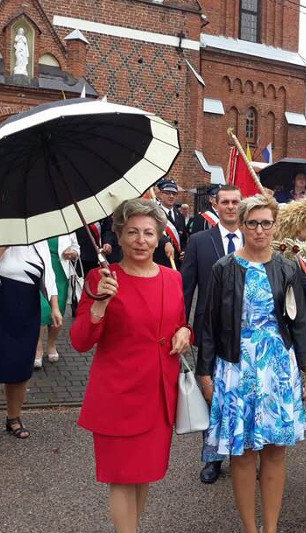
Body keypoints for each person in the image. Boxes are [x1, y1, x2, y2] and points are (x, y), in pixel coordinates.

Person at [197, 194, 306, 533]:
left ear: (275, 226)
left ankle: (272, 528)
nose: (260, 230)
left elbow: (299, 322)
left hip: (278, 368)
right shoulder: (224, 268)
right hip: (237, 367)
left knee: (276, 451)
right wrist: (205, 373)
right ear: (242, 225)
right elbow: (208, 324)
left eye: (266, 223)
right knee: (244, 453)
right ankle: (251, 528)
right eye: (253, 223)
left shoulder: (287, 267)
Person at [70, 198, 191, 533]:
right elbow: (80, 341)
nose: (141, 240)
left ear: (160, 237)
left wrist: (185, 332)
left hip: (159, 397)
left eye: (149, 233)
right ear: (119, 236)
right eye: (133, 232)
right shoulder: (102, 278)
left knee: (144, 476)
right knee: (122, 479)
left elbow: (180, 323)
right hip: (118, 398)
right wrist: (99, 307)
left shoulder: (172, 278)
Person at [0, 243, 62, 449]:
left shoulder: (36, 236)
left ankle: (13, 418)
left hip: (27, 307)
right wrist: (3, 246)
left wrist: (54, 306)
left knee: (20, 365)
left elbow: (48, 273)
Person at [182, 184, 243, 484]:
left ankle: (243, 455)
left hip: (247, 334)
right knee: (212, 395)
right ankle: (213, 458)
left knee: (243, 394)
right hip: (209, 331)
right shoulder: (199, 241)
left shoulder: (254, 239)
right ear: (216, 205)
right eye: (226, 202)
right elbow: (187, 286)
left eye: (235, 202)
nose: (231, 207)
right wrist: (181, 324)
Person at [34, 233, 80, 368]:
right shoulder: (36, 224)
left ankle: (52, 344)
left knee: (57, 312)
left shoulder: (66, 226)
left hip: (60, 272)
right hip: (40, 272)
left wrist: (73, 253)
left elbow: (77, 248)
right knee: (42, 310)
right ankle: (38, 348)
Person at [154, 179, 187, 266]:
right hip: (160, 259)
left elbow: (184, 238)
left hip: (177, 261)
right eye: (167, 193)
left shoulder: (180, 216)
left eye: (174, 194)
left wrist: (184, 250)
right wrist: (165, 242)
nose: (171, 196)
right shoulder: (155, 214)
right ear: (160, 194)